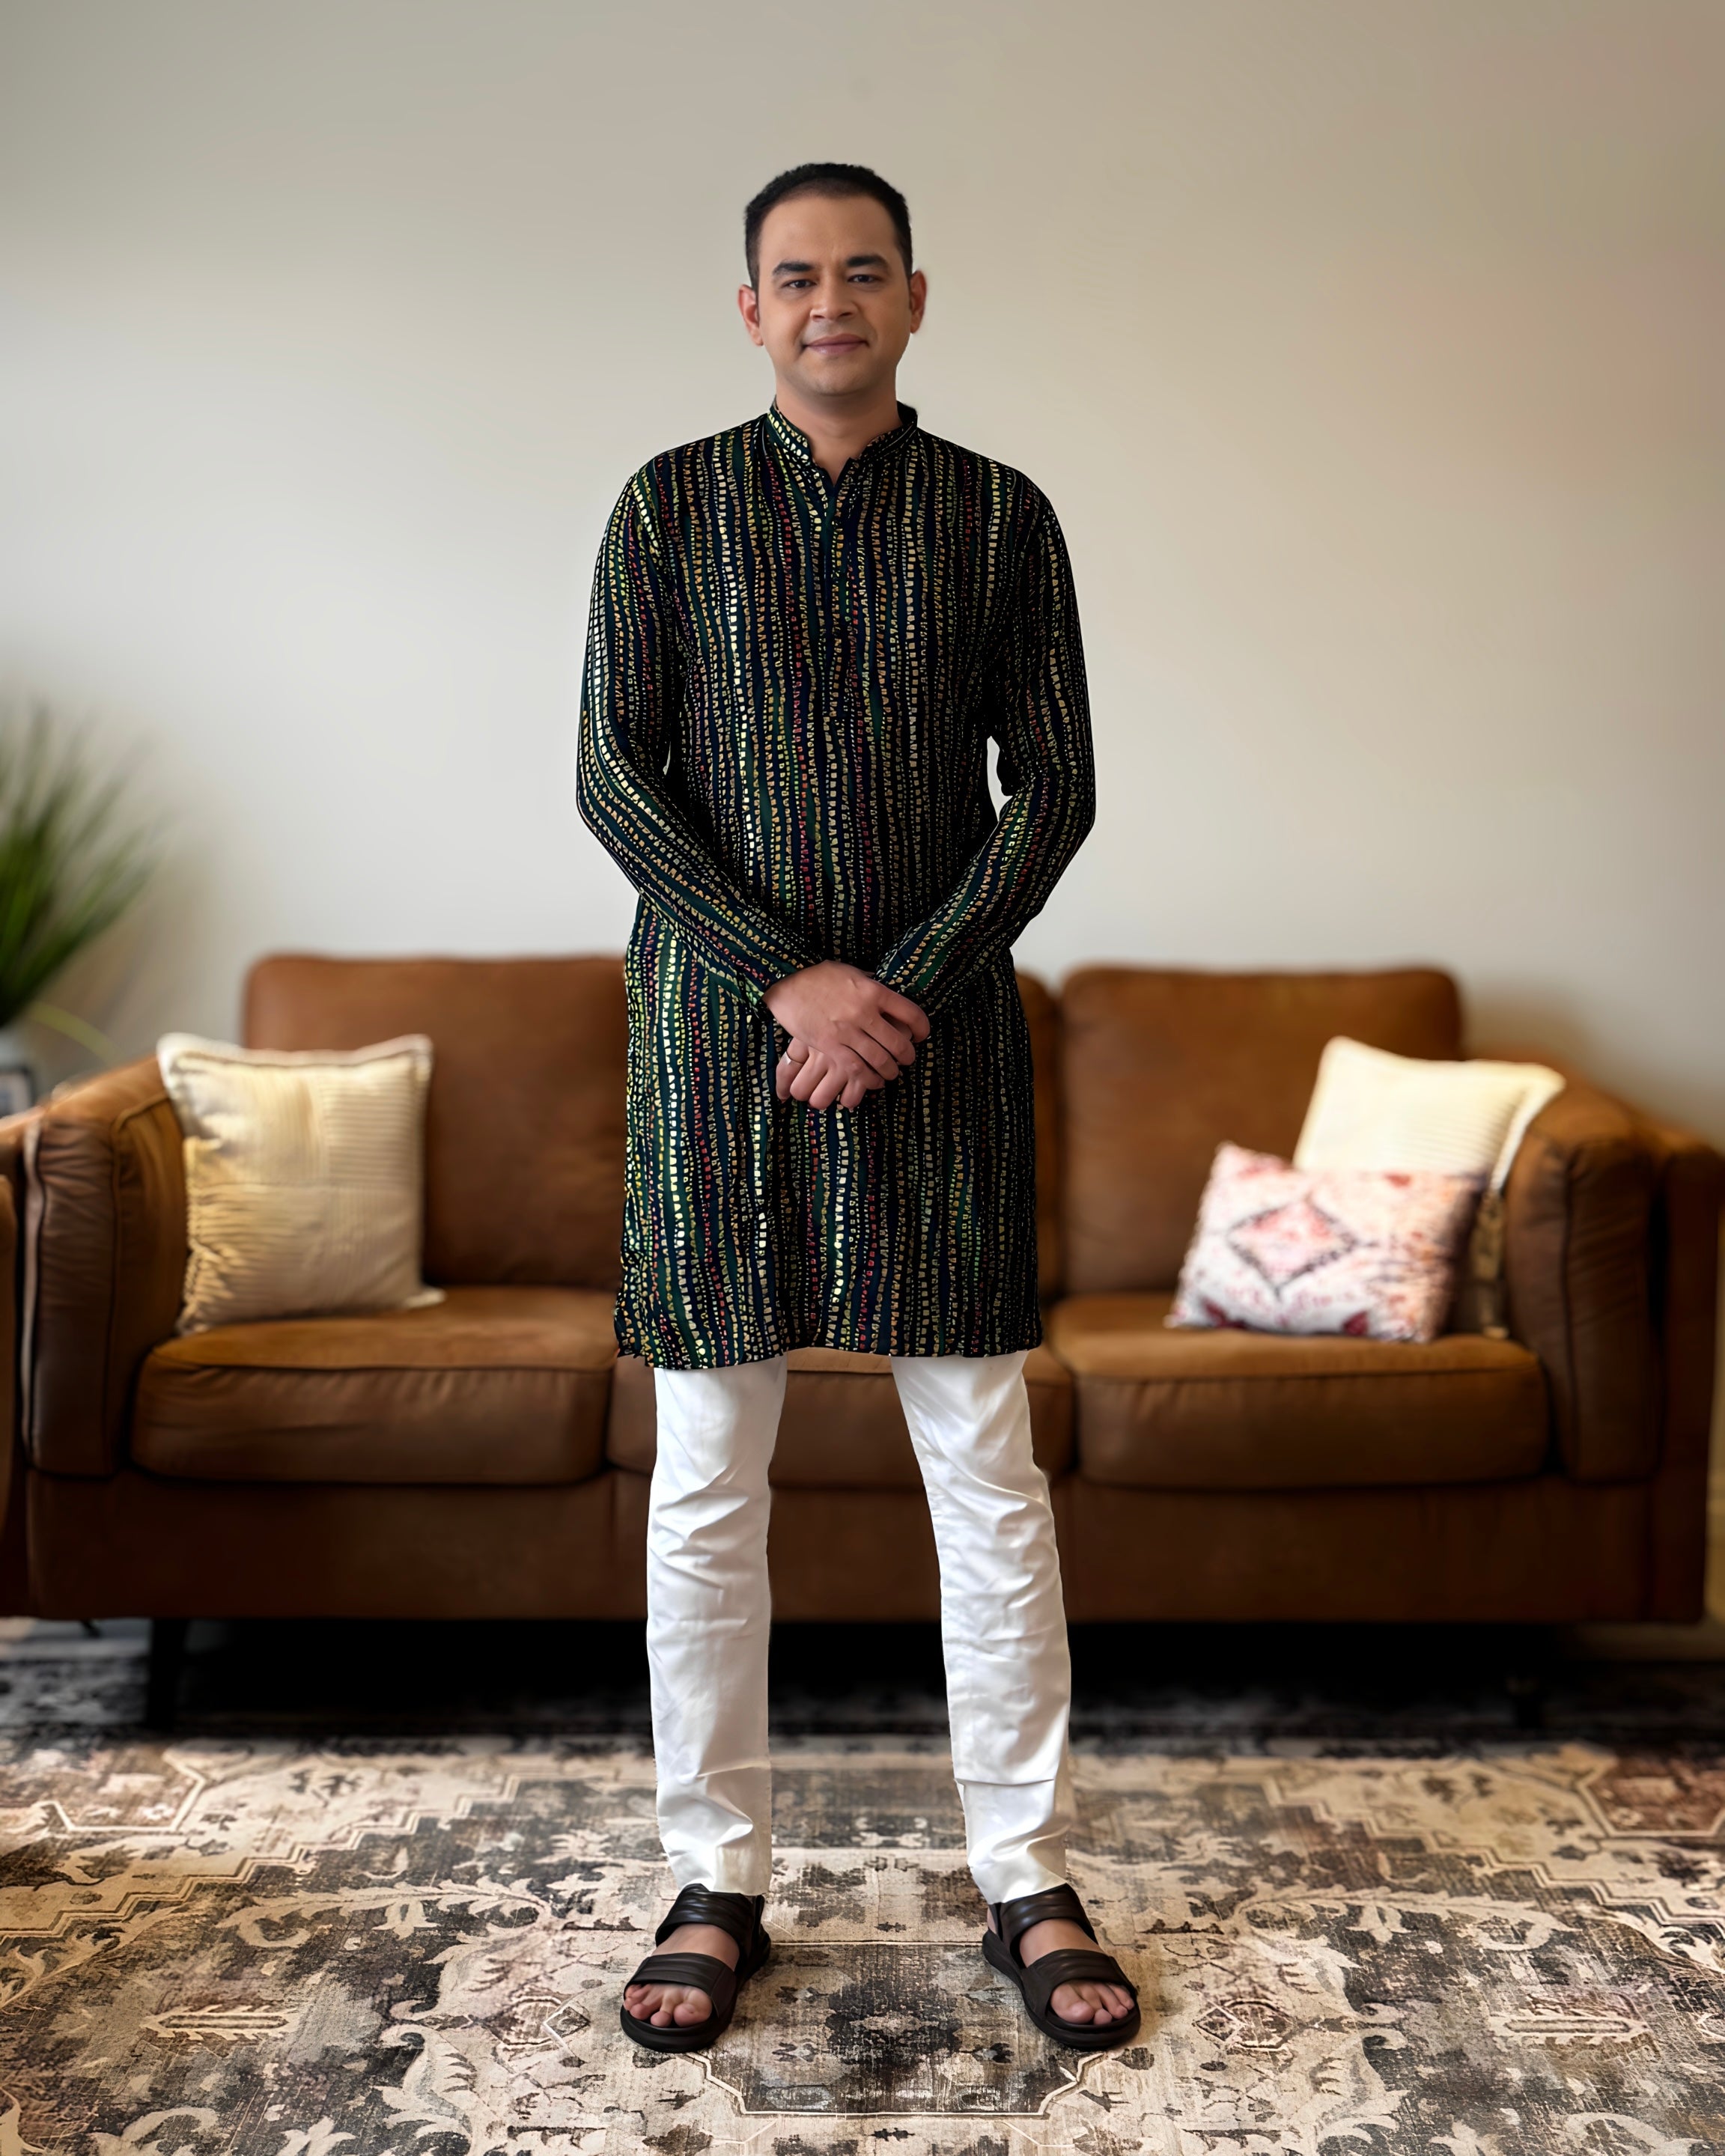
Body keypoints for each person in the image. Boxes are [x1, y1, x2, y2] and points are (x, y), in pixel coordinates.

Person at [576, 162, 1137, 2056]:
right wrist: (791, 981)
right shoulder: (664, 508)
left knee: (986, 1478)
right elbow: (612, 780)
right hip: (718, 1057)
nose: (831, 301)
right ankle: (715, 1874)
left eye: (863, 272)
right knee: (705, 1488)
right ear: (750, 309)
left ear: (915, 299)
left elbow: (1049, 790)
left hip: (944, 1046)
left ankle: (1026, 1868)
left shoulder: (1000, 518)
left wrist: (897, 992)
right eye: (794, 276)